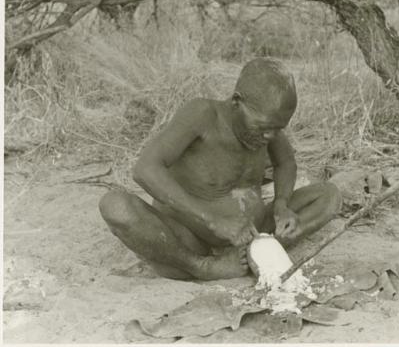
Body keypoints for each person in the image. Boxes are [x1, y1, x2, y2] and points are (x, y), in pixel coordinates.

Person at [99, 58, 342, 280]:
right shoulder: (202, 115)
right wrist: (213, 221)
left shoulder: (268, 127)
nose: (270, 135)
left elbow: (285, 162)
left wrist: (281, 205)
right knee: (115, 205)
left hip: (255, 233)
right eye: (264, 127)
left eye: (279, 128)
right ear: (237, 102)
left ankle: (265, 250)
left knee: (329, 196)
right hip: (191, 238)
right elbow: (145, 169)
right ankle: (200, 266)